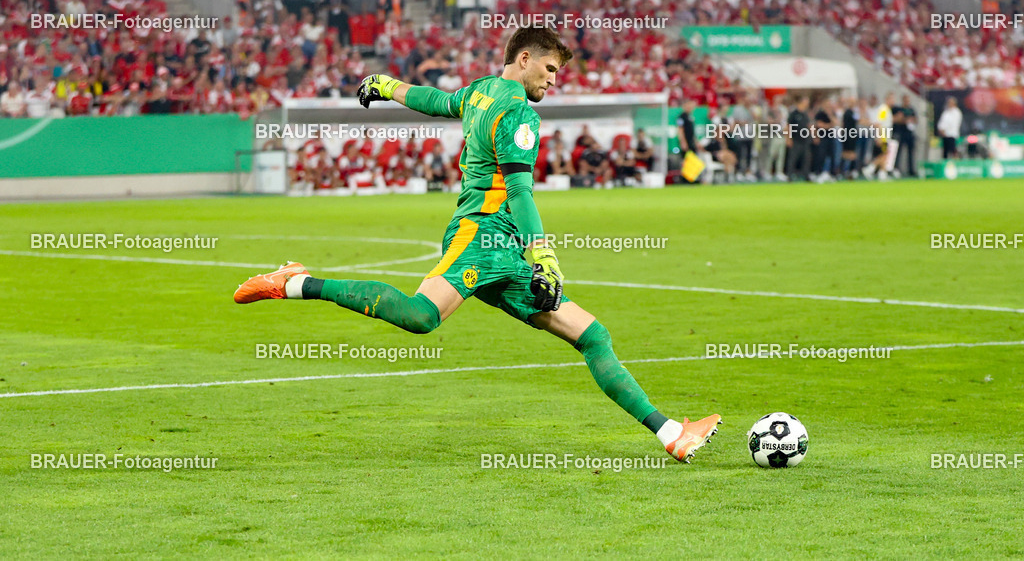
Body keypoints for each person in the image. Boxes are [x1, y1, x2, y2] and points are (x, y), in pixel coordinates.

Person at [234, 26, 721, 463]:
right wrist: (544, 255)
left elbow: (436, 100)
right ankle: (295, 282)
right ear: (524, 59)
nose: (553, 81)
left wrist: (387, 86)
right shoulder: (518, 114)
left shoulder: (481, 92)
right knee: (420, 317)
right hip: (482, 236)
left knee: (592, 337)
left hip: (504, 249)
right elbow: (520, 190)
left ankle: (672, 433)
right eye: (550, 70)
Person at [786, 96, 812, 181]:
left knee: (806, 158)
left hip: (805, 139)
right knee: (793, 158)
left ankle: (806, 175)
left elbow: (808, 125)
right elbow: (788, 126)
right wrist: (789, 138)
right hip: (796, 139)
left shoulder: (805, 114)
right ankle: (789, 175)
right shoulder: (794, 114)